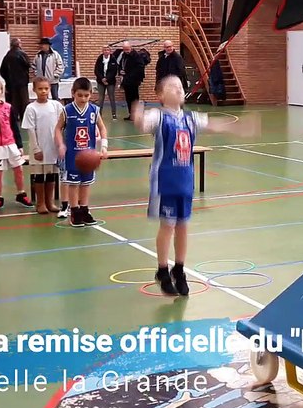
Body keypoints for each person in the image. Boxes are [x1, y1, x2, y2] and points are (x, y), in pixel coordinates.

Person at [134, 74, 253, 296]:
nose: (178, 89)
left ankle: (179, 269)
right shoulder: (158, 117)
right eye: (172, 86)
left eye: (180, 86)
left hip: (185, 179)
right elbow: (143, 124)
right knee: (167, 225)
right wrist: (138, 115)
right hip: (165, 180)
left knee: (182, 225)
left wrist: (237, 128)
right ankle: (162, 269)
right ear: (160, 95)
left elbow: (214, 125)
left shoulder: (190, 118)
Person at [55, 77, 106, 227]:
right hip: (72, 155)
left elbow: (102, 128)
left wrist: (104, 145)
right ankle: (75, 212)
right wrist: (60, 145)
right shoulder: (67, 110)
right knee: (73, 184)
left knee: (86, 184)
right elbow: (58, 128)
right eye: (80, 95)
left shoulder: (94, 110)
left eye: (86, 95)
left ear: (91, 94)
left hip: (88, 154)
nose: (83, 99)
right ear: (73, 94)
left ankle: (84, 209)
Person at [0, 79, 32, 212]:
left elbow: (15, 127)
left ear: (2, 92)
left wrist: (20, 144)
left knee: (18, 169)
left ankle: (21, 194)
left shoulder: (8, 107)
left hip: (10, 143)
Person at [22, 77, 63, 215]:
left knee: (51, 175)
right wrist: (36, 149)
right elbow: (30, 130)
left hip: (53, 147)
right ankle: (40, 203)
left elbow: (61, 124)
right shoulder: (31, 108)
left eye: (46, 88)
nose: (43, 91)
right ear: (34, 90)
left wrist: (60, 143)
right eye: (40, 88)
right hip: (39, 148)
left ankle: (49, 202)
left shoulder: (56, 105)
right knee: (39, 176)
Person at [94, 46, 119, 119]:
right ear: (102, 51)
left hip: (110, 82)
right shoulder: (99, 59)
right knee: (101, 98)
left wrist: (107, 79)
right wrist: (102, 79)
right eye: (104, 50)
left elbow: (114, 71)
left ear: (110, 51)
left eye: (107, 50)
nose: (106, 51)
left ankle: (114, 115)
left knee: (112, 97)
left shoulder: (113, 59)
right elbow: (96, 70)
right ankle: (99, 115)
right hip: (100, 81)